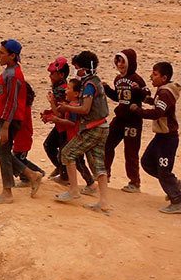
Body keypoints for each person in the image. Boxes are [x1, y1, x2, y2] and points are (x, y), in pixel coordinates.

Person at [53, 51, 112, 212]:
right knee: (98, 165)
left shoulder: (89, 85)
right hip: (103, 126)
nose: (76, 72)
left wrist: (67, 107)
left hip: (92, 128)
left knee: (67, 153)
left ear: (84, 69)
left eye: (77, 68)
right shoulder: (96, 81)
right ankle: (104, 202)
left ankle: (73, 190)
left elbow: (85, 109)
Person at [0, 39, 42, 204]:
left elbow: (12, 102)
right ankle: (31, 174)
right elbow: (3, 99)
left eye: (2, 53)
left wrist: (5, 126)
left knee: (3, 153)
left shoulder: (13, 75)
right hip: (5, 118)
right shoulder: (9, 72)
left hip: (10, 120)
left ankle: (7, 192)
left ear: (12, 56)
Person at [136, 61, 181, 213]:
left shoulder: (165, 93)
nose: (151, 77)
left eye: (155, 74)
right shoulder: (163, 91)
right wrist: (145, 97)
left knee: (163, 170)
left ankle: (177, 200)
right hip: (161, 137)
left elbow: (157, 113)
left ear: (164, 77)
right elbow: (158, 105)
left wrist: (138, 111)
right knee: (147, 162)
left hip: (168, 139)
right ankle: (175, 186)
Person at [40, 57, 92, 186]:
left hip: (65, 127)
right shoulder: (61, 88)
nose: (50, 76)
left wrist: (52, 109)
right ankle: (64, 172)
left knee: (69, 155)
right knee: (54, 148)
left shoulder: (62, 90)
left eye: (53, 73)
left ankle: (81, 180)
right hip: (61, 126)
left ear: (61, 74)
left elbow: (61, 112)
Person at [105, 49, 147, 193]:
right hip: (120, 118)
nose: (120, 64)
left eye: (123, 61)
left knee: (130, 151)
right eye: (118, 61)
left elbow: (146, 95)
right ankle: (105, 174)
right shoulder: (117, 79)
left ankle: (134, 182)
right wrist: (107, 89)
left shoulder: (137, 78)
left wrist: (138, 91)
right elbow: (118, 97)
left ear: (130, 62)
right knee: (107, 143)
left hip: (133, 120)